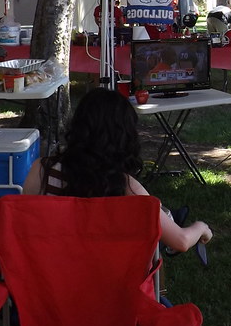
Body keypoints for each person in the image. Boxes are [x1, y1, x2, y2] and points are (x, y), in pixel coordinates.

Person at [23, 87, 213, 253]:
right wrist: (201, 227)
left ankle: (167, 215)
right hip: (106, 283)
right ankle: (168, 216)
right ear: (124, 137)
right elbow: (181, 241)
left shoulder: (42, 170)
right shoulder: (125, 187)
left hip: (50, 278)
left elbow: (26, 228)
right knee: (154, 223)